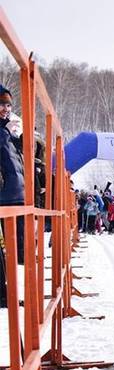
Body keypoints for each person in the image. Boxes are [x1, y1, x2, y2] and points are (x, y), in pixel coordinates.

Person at [0, 84, 25, 264]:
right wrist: (6, 131)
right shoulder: (4, 130)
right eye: (1, 104)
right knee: (8, 252)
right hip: (4, 196)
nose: (5, 109)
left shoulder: (7, 129)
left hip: (17, 194)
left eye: (8, 105)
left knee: (19, 251)